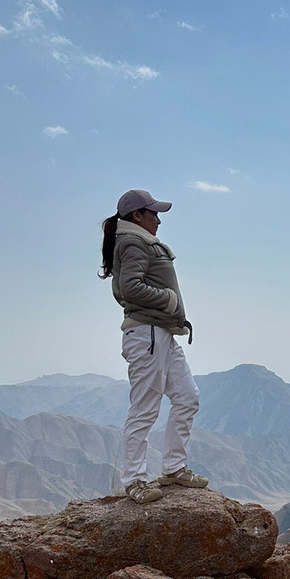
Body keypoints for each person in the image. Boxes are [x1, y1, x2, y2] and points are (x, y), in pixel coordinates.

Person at [99, 189, 209, 503]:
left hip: (160, 333)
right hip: (146, 335)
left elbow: (125, 286)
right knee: (144, 409)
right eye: (153, 213)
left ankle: (174, 468)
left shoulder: (139, 241)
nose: (158, 220)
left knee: (187, 397)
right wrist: (170, 301)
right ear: (136, 215)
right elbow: (128, 288)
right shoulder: (133, 242)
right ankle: (134, 480)